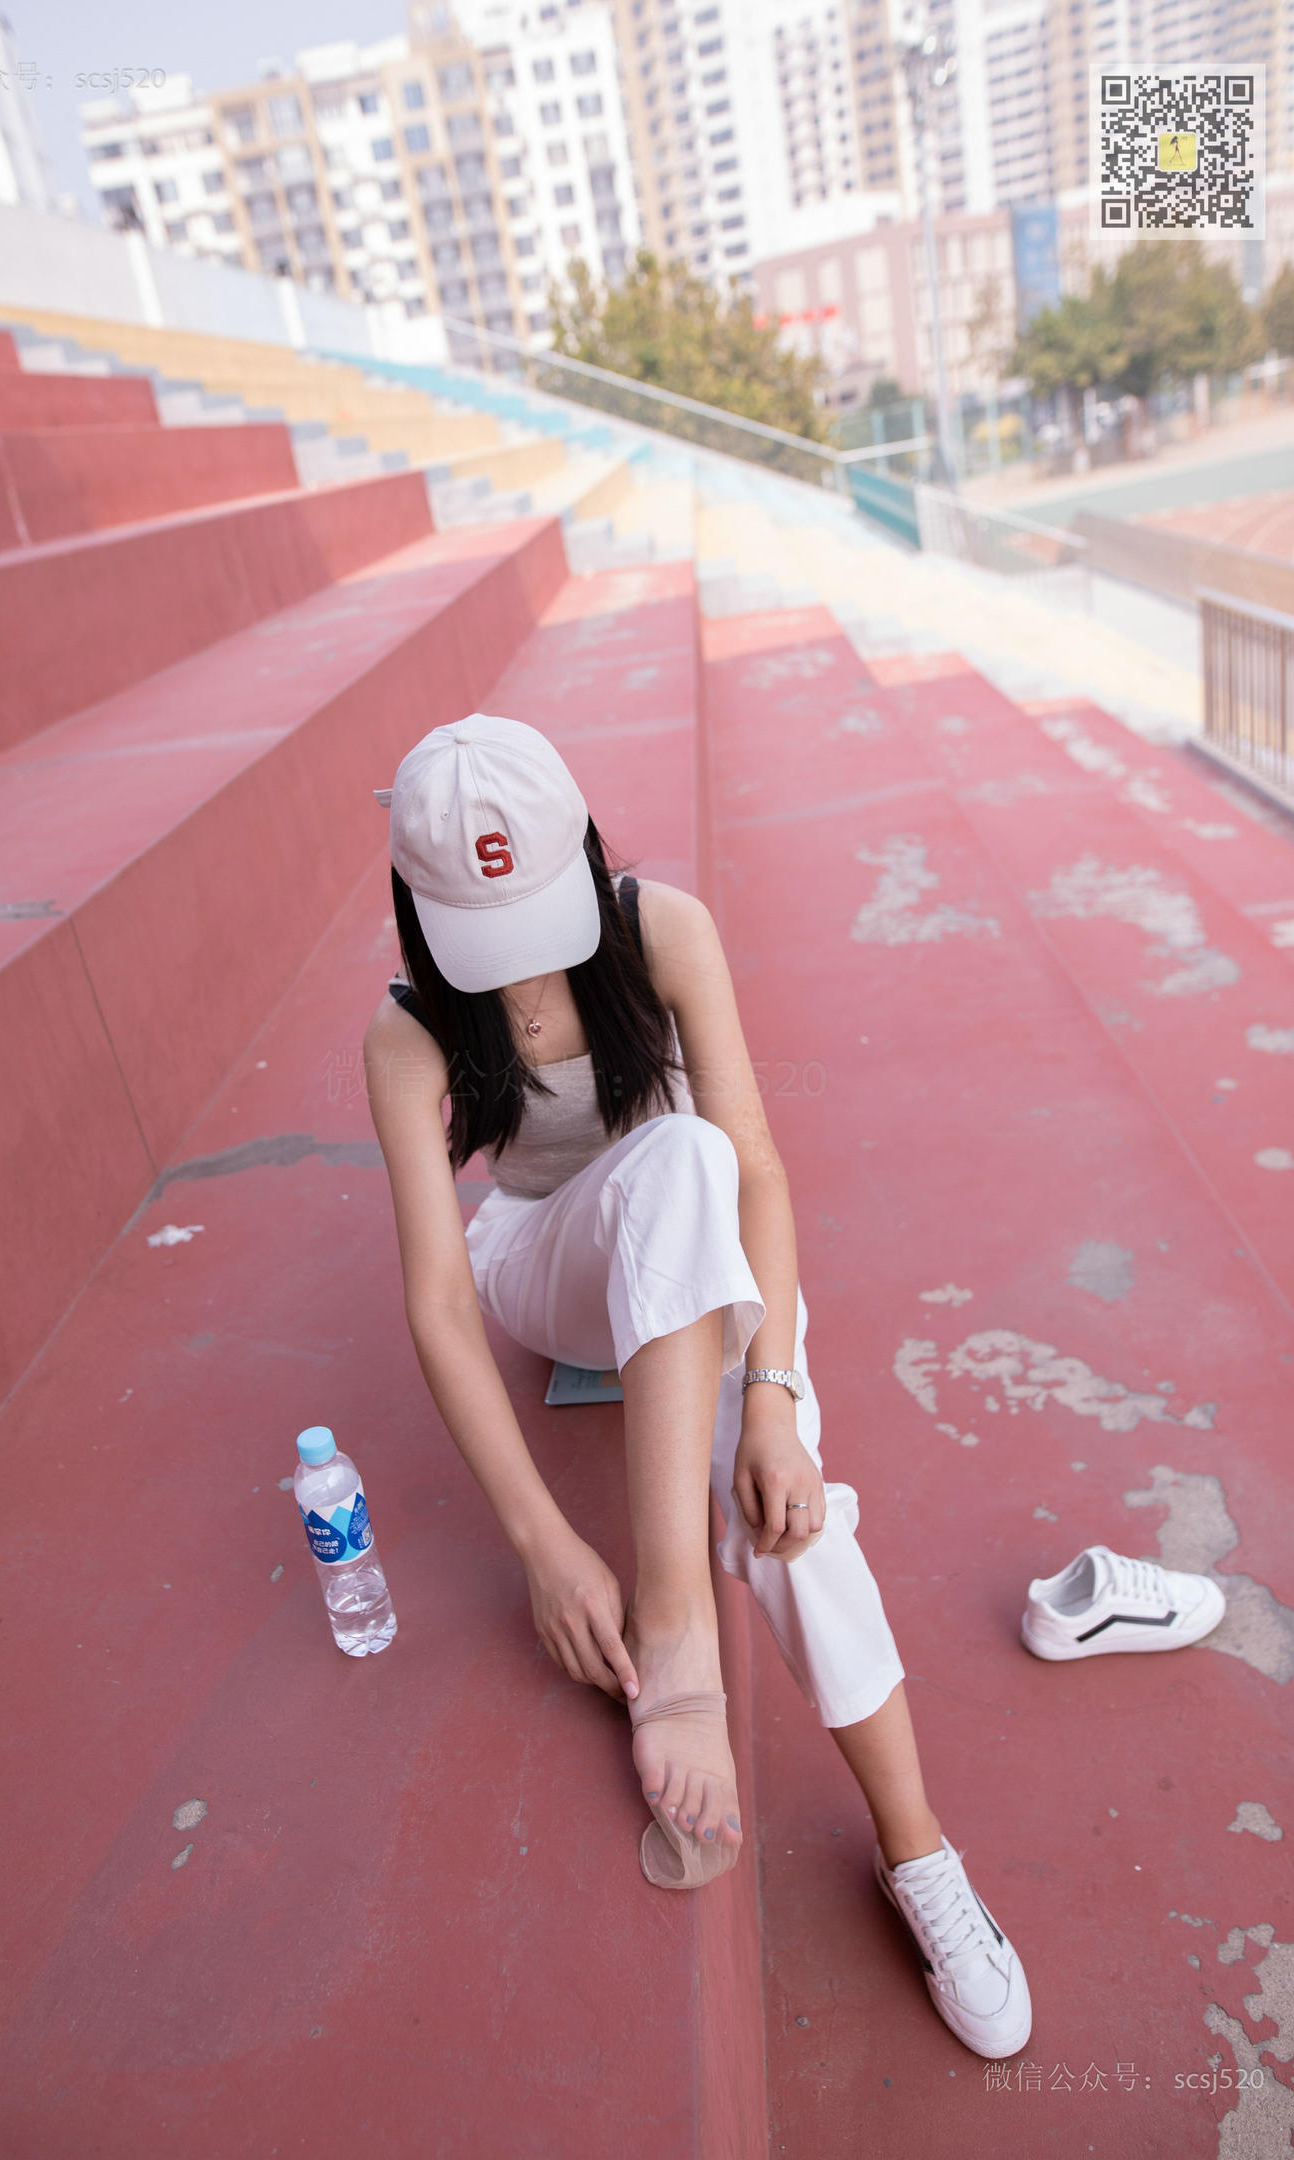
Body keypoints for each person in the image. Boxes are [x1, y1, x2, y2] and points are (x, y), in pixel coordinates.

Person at [362, 713, 1031, 2060]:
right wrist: (545, 1546)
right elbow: (438, 1300)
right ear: (420, 911)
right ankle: (675, 1621)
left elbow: (759, 1167)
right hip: (549, 1263)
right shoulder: (407, 1035)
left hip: (696, 1252)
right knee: (680, 1165)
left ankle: (918, 1853)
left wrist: (772, 1397)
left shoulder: (661, 929)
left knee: (787, 1500)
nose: (522, 965)